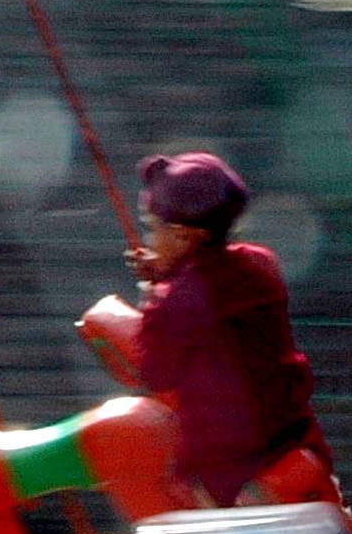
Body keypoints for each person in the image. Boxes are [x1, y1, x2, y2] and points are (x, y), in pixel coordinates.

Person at [127, 152, 340, 509]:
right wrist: (173, 275)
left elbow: (154, 372)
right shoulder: (261, 262)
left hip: (231, 469)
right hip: (296, 440)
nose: (149, 240)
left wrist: (153, 296)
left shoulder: (177, 299)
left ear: (182, 236)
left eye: (152, 229)